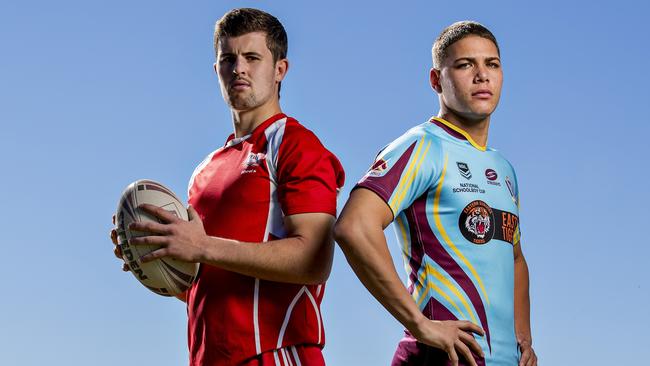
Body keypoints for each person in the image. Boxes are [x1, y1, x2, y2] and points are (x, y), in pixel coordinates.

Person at [111, 8, 344, 366]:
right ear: (216, 70)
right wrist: (156, 257)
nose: (239, 68)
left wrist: (202, 245)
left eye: (252, 57)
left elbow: (314, 260)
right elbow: (210, 281)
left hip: (277, 355)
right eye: (228, 58)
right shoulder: (205, 170)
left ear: (280, 69)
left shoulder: (295, 145)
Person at [334, 21, 536, 366]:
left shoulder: (504, 169)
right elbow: (353, 227)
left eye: (492, 64)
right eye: (464, 65)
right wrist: (419, 324)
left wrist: (524, 338)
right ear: (436, 80)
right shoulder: (422, 145)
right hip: (442, 358)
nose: (481, 75)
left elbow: (514, 258)